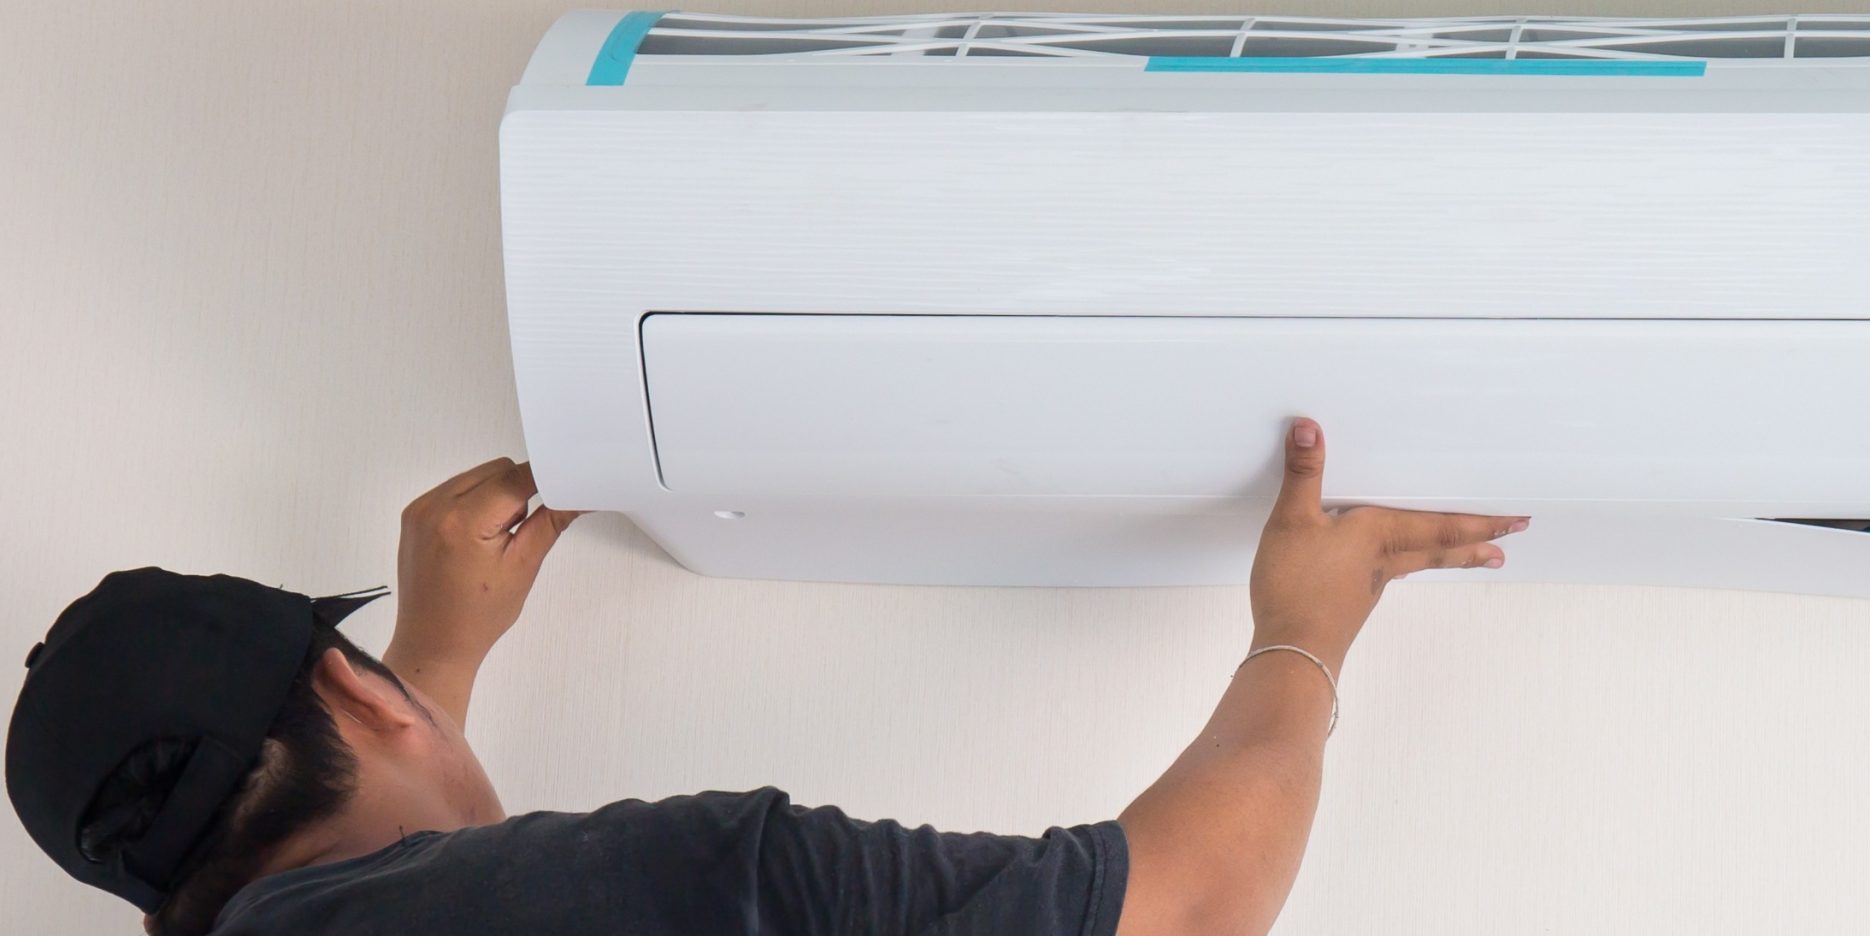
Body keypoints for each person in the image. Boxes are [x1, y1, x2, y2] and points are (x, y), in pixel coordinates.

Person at [7, 418, 1525, 935]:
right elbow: (1181, 907)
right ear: (352, 699)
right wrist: (1303, 627)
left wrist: (435, 664)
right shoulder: (688, 886)